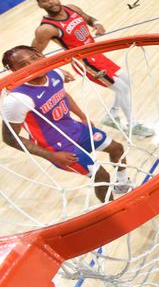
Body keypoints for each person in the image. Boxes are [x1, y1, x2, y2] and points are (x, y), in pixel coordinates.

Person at [1, 45, 130, 202]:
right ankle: (111, 208)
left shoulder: (55, 73)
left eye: (33, 59)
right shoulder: (17, 100)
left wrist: (82, 116)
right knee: (102, 176)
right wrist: (52, 156)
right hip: (57, 147)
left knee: (117, 149)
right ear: (13, 71)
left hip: (75, 129)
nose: (32, 65)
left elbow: (63, 94)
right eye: (23, 65)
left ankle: (122, 185)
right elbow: (10, 138)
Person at [30, 0, 154, 137]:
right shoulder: (46, 28)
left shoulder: (71, 8)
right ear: (39, 5)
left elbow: (89, 18)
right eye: (45, 0)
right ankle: (133, 125)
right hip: (85, 61)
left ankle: (112, 116)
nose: (51, 2)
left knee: (128, 81)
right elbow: (33, 53)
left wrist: (97, 24)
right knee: (121, 88)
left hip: (97, 54)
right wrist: (56, 71)